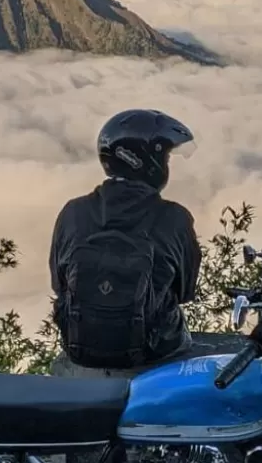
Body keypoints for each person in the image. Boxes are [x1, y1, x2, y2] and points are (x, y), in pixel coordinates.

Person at [49, 108, 203, 370]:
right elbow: (185, 292)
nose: (167, 165)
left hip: (79, 352)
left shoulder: (72, 213)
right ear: (146, 161)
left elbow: (58, 284)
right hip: (155, 354)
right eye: (165, 156)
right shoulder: (175, 219)